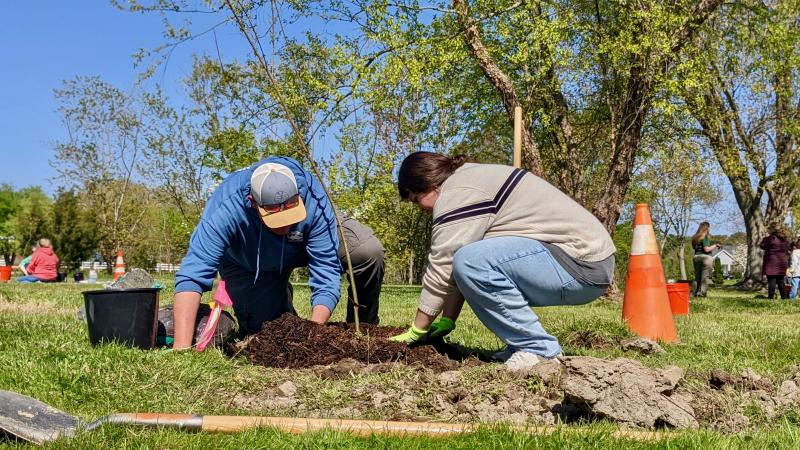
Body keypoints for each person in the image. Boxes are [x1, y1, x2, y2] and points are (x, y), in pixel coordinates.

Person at [389, 152, 616, 370]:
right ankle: (521, 344)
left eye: (416, 200)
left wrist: (419, 328)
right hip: (583, 263)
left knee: (471, 260)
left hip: (579, 264)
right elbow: (456, 269)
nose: (420, 209)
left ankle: (537, 350)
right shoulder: (469, 179)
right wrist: (448, 319)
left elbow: (443, 264)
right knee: (470, 259)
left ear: (429, 185)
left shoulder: (457, 192)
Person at [172, 157, 385, 350]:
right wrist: (181, 351)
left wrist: (311, 332)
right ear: (253, 203)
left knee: (366, 250)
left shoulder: (315, 198)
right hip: (249, 262)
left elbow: (326, 270)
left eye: (291, 216)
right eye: (277, 220)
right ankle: (278, 298)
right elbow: (193, 274)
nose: (286, 225)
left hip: (303, 244)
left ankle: (363, 328)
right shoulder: (225, 207)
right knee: (265, 335)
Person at [690, 222, 721, 298]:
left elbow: (694, 248)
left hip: (696, 258)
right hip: (706, 258)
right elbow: (706, 249)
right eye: (709, 227)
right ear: (707, 228)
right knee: (705, 277)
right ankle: (702, 294)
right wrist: (715, 245)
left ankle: (693, 293)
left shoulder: (695, 237)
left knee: (697, 277)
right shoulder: (705, 237)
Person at [761, 224, 791, 300]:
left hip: (772, 262)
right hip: (782, 261)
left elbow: (762, 246)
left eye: (769, 229)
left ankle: (770, 297)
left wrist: (765, 237)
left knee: (772, 280)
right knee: (781, 280)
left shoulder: (771, 238)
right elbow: (787, 249)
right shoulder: (785, 239)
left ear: (772, 230)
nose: (767, 230)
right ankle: (784, 297)